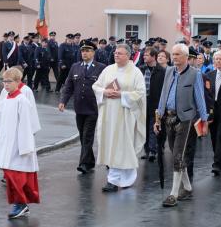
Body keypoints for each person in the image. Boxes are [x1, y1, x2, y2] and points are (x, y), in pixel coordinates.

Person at [156, 44, 209, 207]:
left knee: (178, 155)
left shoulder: (195, 74)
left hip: (186, 119)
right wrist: (158, 118)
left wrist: (204, 121)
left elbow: (200, 98)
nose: (175, 57)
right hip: (168, 117)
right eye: (173, 54)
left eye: (178, 54)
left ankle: (173, 194)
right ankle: (187, 187)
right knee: (175, 153)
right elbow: (163, 94)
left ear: (186, 57)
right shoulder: (169, 71)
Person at [92, 44, 147, 192]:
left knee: (124, 146)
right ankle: (116, 179)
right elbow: (96, 86)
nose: (116, 55)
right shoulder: (108, 70)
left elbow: (140, 93)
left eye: (120, 53)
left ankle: (119, 179)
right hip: (109, 115)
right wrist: (104, 91)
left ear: (128, 56)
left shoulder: (136, 73)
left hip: (125, 115)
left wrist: (122, 95)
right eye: (115, 53)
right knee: (112, 145)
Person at [0, 68, 41, 219]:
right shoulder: (7, 98)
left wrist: (26, 147)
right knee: (9, 174)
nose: (6, 84)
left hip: (19, 145)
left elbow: (26, 125)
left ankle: (21, 204)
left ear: (18, 82)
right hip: (7, 143)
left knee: (16, 175)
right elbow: (0, 116)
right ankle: (19, 203)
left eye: (9, 81)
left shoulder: (22, 100)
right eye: (4, 81)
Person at [59, 40, 105, 174]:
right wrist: (63, 101)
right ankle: (90, 161)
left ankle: (84, 163)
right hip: (79, 107)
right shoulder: (75, 67)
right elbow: (68, 86)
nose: (84, 53)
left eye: (87, 51)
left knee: (87, 136)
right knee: (82, 135)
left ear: (93, 52)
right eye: (83, 51)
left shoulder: (101, 67)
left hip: (93, 108)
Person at [140, 48, 167, 166]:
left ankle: (153, 150)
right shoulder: (141, 69)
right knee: (144, 126)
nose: (144, 57)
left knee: (154, 125)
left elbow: (164, 89)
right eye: (144, 55)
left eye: (146, 55)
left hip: (156, 102)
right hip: (143, 101)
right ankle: (147, 149)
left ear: (153, 56)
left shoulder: (161, 71)